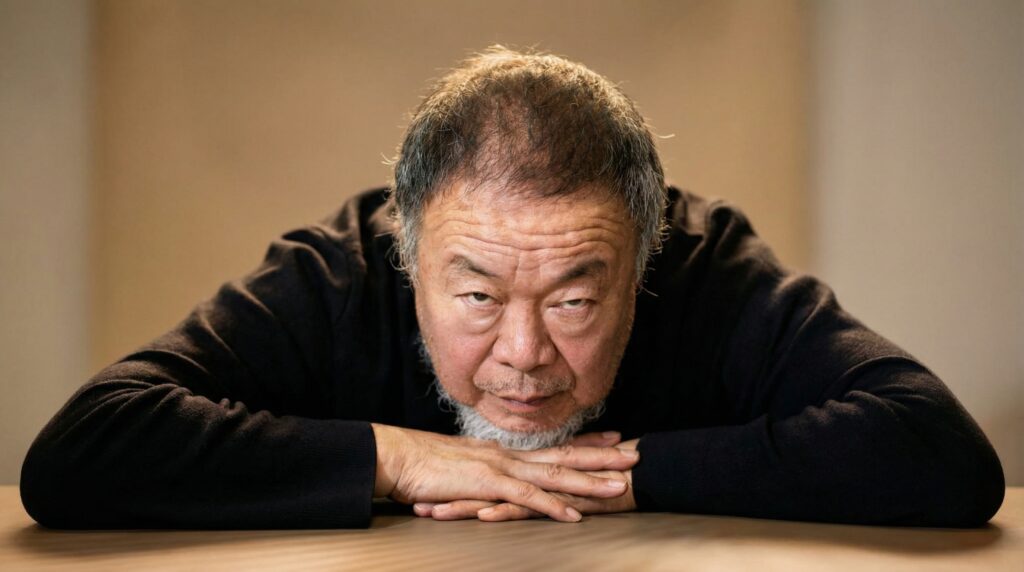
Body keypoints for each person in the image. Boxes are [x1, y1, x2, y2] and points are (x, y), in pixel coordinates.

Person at [20, 47, 1004, 529]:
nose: (525, 356)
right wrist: (396, 459)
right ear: (408, 251)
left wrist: (631, 474)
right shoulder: (339, 271)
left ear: (643, 256)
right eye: (478, 297)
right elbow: (83, 452)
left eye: (574, 300)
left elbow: (937, 454)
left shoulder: (705, 266)